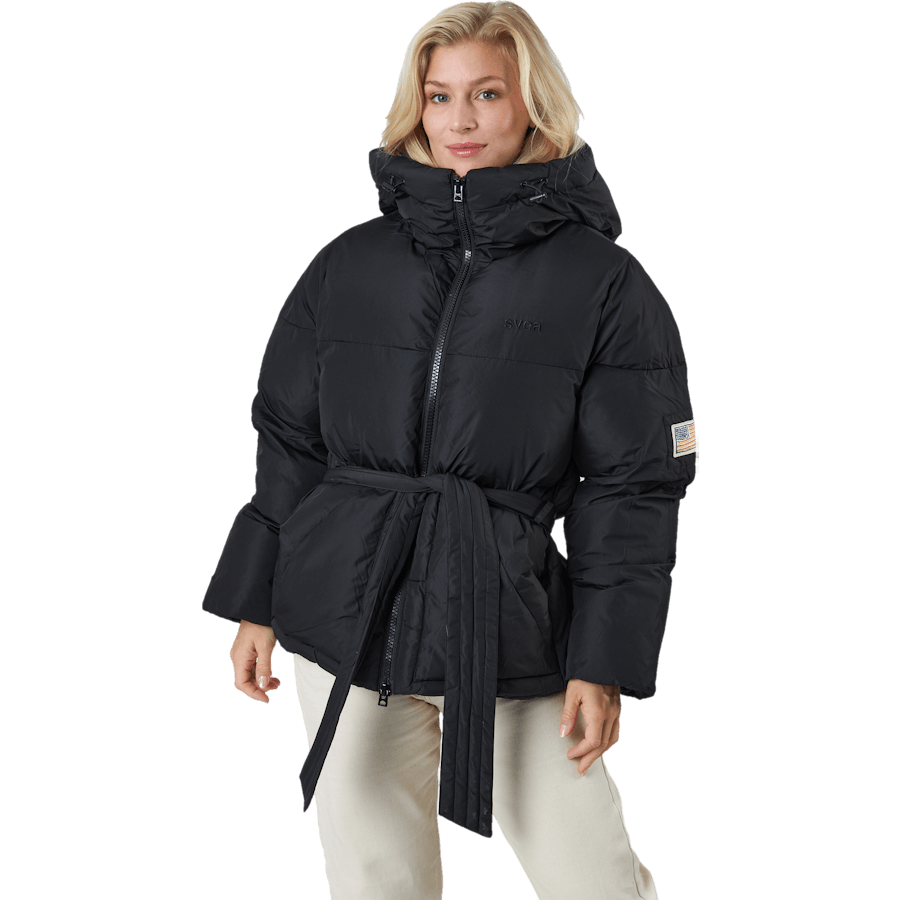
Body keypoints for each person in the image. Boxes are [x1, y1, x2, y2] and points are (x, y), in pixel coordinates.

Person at [201, 2, 699, 897]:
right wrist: (256, 602)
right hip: (346, 613)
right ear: (415, 107)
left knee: (590, 874)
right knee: (374, 877)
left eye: (487, 94)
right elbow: (288, 442)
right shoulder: (347, 264)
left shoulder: (605, 283)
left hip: (505, 617)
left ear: (534, 104)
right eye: (439, 96)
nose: (460, 120)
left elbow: (633, 485)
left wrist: (604, 659)